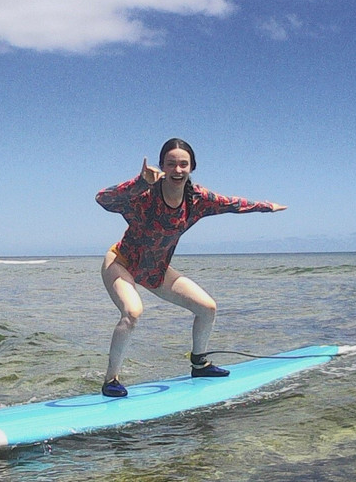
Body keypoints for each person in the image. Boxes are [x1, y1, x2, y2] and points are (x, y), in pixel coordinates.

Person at [95, 138, 286, 397]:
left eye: (183, 164)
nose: (177, 170)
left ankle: (199, 363)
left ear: (192, 167)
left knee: (207, 308)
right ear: (162, 166)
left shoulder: (197, 199)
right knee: (133, 312)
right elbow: (104, 199)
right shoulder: (144, 195)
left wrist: (266, 207)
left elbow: (232, 203)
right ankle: (111, 380)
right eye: (171, 164)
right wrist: (140, 182)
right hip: (122, 262)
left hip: (156, 270)